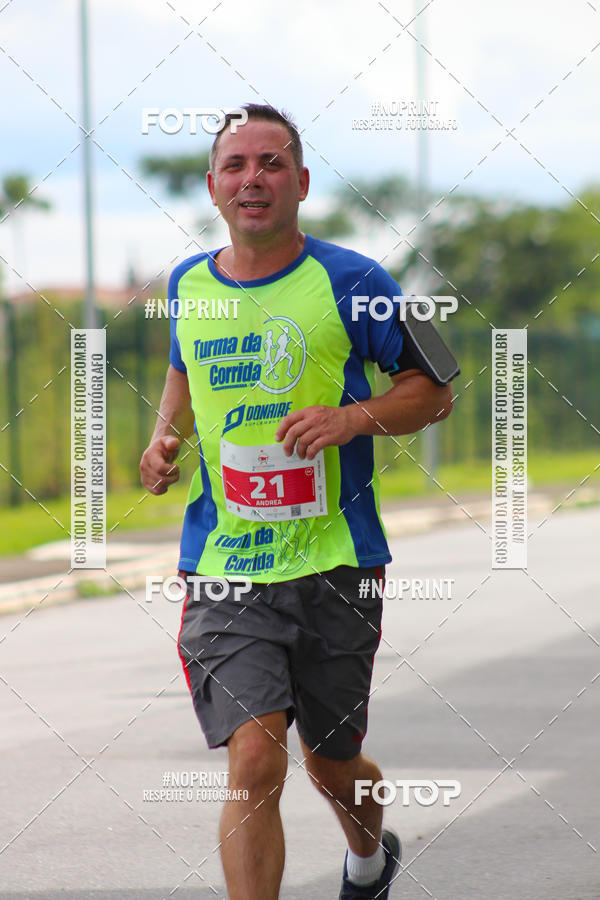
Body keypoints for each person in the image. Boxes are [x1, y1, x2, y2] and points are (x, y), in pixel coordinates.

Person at [140, 103, 454, 900]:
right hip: (227, 562)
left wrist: (352, 418)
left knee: (332, 761)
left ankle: (368, 856)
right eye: (237, 165)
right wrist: (164, 437)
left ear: (302, 182)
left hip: (337, 562)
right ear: (213, 186)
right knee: (254, 758)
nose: (254, 178)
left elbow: (436, 389)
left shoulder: (358, 281)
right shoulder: (187, 284)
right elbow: (182, 366)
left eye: (272, 163)